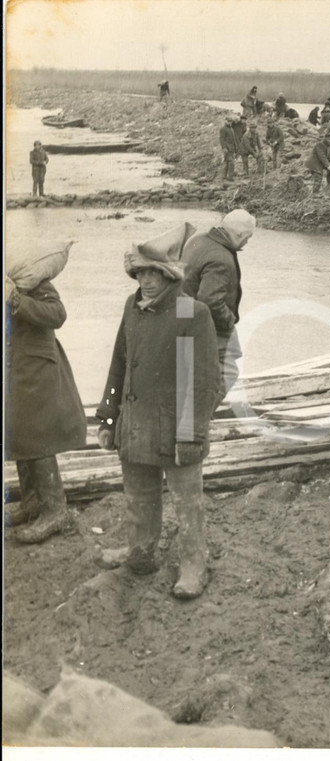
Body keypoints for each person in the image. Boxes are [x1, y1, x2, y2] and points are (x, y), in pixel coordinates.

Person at [95, 225, 219, 599]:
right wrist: (108, 416)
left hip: (175, 427)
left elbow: (203, 382)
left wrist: (192, 434)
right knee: (139, 496)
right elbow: (118, 366)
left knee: (187, 503)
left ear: (170, 275)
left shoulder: (190, 312)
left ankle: (194, 564)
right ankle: (140, 552)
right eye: (141, 273)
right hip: (135, 425)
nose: (147, 282)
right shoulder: (131, 309)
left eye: (155, 274)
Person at [5, 267, 87, 543]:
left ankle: (55, 510)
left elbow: (57, 314)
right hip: (16, 368)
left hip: (37, 368)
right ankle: (31, 503)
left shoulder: (32, 278)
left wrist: (17, 300)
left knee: (38, 434)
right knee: (19, 432)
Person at [180, 209, 256, 400]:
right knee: (227, 373)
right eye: (248, 237)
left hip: (183, 315)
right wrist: (229, 321)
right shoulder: (221, 257)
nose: (247, 242)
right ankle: (201, 415)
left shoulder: (199, 239)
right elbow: (210, 300)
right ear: (238, 234)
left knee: (199, 371)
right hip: (208, 323)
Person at [305, 133, 330, 199]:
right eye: (328, 138)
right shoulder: (319, 145)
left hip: (320, 163)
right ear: (325, 138)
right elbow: (322, 156)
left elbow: (328, 157)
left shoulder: (329, 146)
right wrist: (328, 165)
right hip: (314, 162)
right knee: (318, 177)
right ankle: (315, 193)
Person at [218, 115, 239, 181]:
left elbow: (234, 140)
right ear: (226, 121)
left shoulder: (231, 129)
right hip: (228, 149)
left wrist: (236, 149)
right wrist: (224, 148)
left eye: (231, 121)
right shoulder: (223, 129)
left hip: (231, 149)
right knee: (231, 163)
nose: (230, 123)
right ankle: (230, 177)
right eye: (228, 121)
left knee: (226, 163)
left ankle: (223, 177)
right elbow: (222, 139)